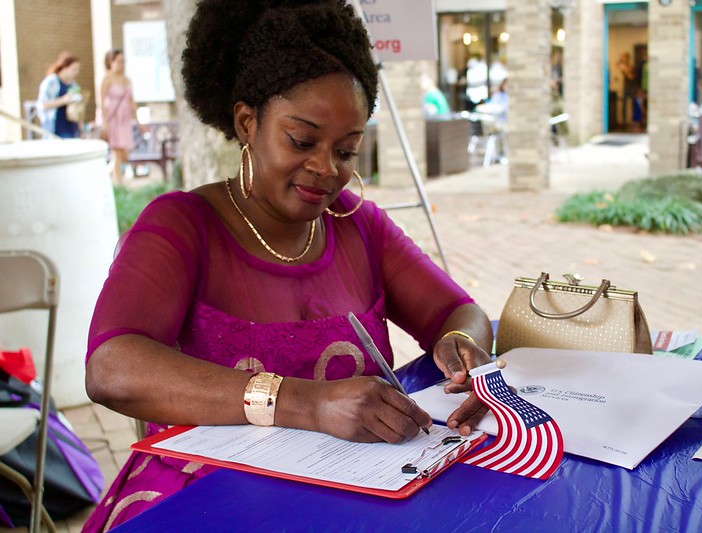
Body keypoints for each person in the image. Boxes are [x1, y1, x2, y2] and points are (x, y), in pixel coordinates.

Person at [82, 1, 493, 530]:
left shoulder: (360, 227)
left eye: (346, 151)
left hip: (356, 494)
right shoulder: (183, 225)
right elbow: (112, 367)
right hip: (208, 495)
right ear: (247, 122)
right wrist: (305, 403)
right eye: (302, 141)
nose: (326, 169)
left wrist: (459, 346)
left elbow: (462, 312)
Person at [100, 49, 138, 185]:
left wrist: (138, 121)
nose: (122, 64)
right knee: (117, 151)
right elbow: (102, 102)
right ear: (111, 62)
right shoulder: (107, 79)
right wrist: (105, 123)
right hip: (113, 120)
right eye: (119, 61)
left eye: (124, 61)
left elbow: (132, 101)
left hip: (125, 120)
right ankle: (119, 183)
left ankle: (107, 176)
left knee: (125, 153)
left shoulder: (127, 79)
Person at [36, 52, 82, 138]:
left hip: (72, 128)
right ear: (64, 67)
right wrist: (64, 100)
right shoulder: (51, 82)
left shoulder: (73, 84)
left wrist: (81, 129)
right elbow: (42, 105)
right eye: (74, 69)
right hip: (55, 129)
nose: (77, 72)